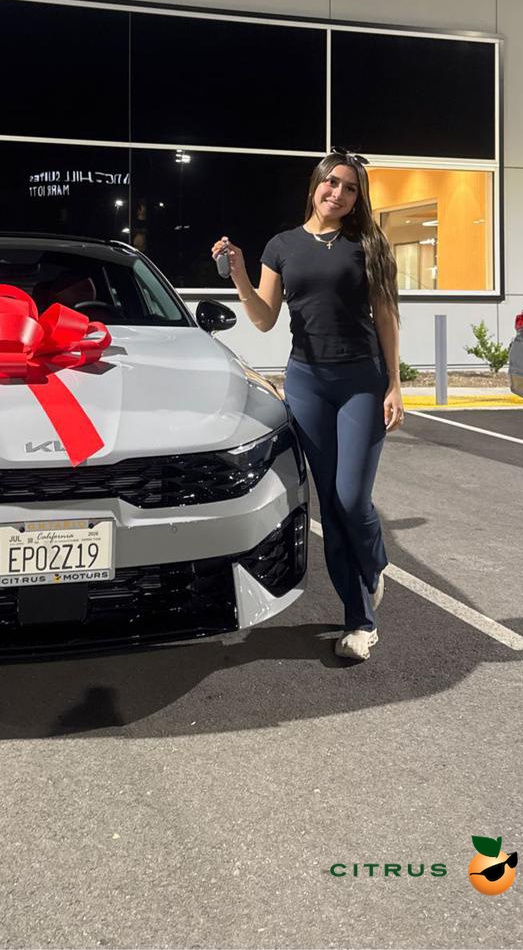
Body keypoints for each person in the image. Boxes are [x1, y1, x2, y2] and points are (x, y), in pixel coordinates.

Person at [210, 147, 404, 663]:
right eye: (331, 182)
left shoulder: (369, 244)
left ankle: (374, 562)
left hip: (361, 380)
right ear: (316, 185)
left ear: (358, 198)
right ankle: (359, 621)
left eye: (350, 188)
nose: (338, 193)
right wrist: (239, 274)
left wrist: (394, 384)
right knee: (331, 509)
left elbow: (386, 315)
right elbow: (263, 318)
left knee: (352, 499)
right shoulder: (282, 246)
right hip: (307, 383)